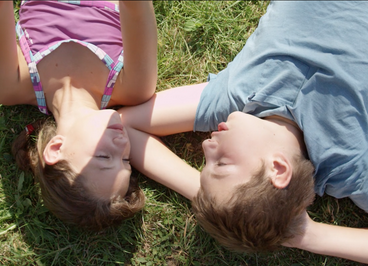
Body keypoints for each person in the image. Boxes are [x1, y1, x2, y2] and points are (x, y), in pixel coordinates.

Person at [119, 0, 368, 263]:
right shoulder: (349, 164)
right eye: (221, 163)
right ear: (278, 169)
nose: (205, 147)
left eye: (205, 164)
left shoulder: (231, 100)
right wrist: (310, 235)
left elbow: (123, 125)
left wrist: (224, 204)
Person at [0, 0, 157, 230]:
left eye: (104, 157)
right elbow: (136, 6)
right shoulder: (135, 86)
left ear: (56, 149)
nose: (123, 145)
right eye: (125, 160)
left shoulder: (10, 87)